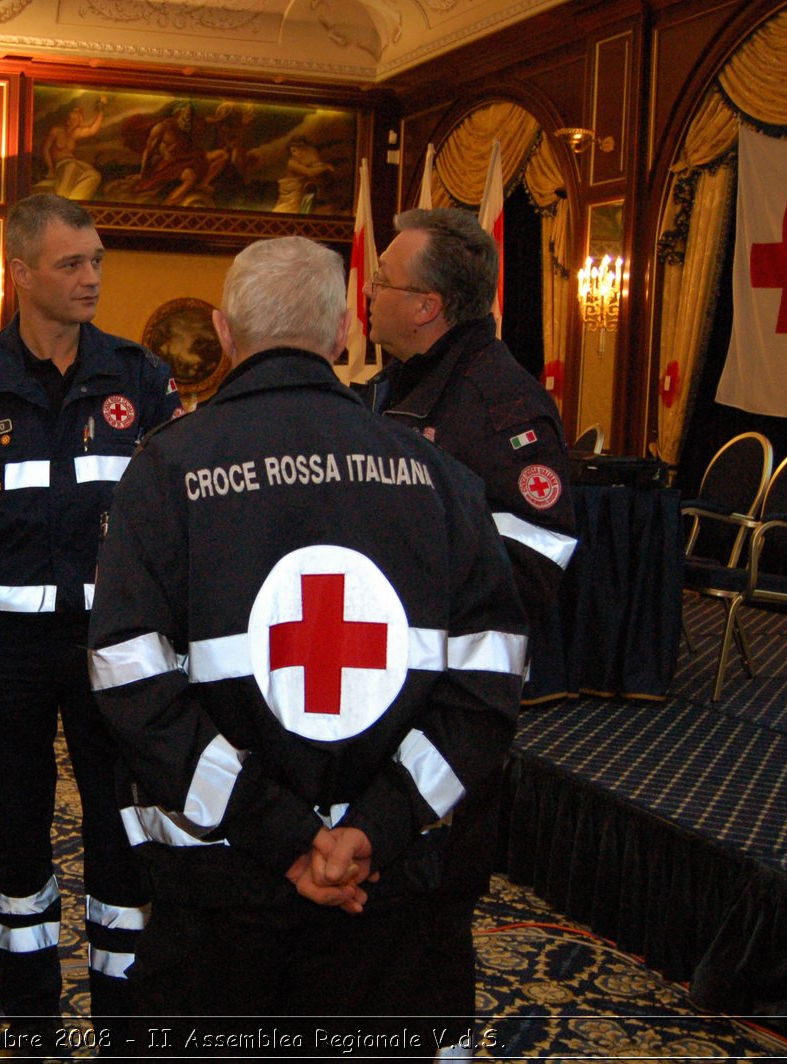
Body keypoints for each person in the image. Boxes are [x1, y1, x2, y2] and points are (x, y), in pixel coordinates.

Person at [86, 235, 527, 1054]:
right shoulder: (440, 480)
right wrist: (372, 831)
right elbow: (490, 683)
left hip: (220, 882)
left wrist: (285, 838)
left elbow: (129, 680)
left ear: (224, 332)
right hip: (388, 885)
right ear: (337, 337)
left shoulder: (164, 473)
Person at [0, 193, 179, 1044]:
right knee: (16, 842)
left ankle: (124, 1026)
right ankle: (30, 1017)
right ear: (22, 272)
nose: (92, 278)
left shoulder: (138, 377)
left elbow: (172, 518)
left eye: (97, 260)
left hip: (115, 655)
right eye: (71, 263)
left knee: (122, 839)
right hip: (9, 659)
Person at [356, 207, 578, 1047]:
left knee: (436, 907)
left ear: (429, 305)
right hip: (390, 690)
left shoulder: (499, 402)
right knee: (390, 909)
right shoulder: (402, 384)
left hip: (450, 701)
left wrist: (425, 625)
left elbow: (536, 561)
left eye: (384, 279)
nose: (368, 292)